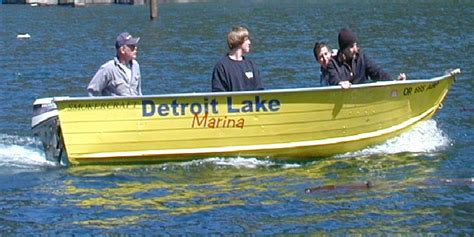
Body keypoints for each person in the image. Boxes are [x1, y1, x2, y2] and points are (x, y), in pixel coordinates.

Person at [327, 28, 406, 89]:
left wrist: (394, 81)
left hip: (361, 96)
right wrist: (339, 83)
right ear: (343, 49)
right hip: (342, 96)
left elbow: (377, 72)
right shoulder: (333, 63)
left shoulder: (361, 58)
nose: (355, 49)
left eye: (355, 45)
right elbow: (333, 79)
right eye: (351, 47)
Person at [87, 32, 142, 96]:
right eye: (132, 46)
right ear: (122, 50)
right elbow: (91, 92)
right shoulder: (107, 68)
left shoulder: (135, 66)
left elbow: (139, 92)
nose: (135, 48)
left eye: (135, 45)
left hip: (135, 105)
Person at [211, 26, 263, 92]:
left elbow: (260, 90)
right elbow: (218, 93)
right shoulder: (222, 66)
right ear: (239, 41)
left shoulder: (251, 65)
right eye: (246, 39)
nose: (249, 42)